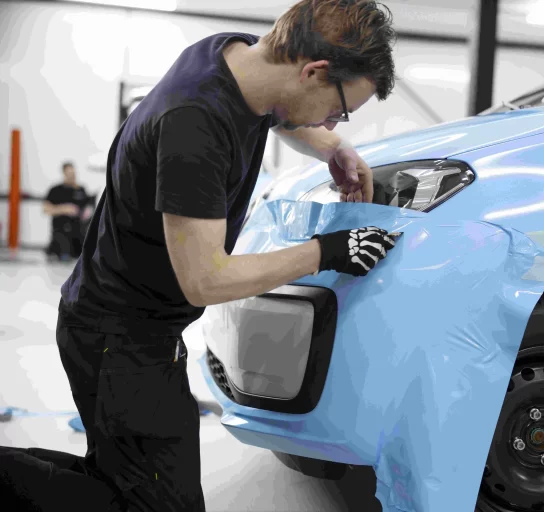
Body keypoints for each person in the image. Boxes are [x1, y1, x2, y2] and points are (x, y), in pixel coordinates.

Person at [0, 1, 399, 510]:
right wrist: (326, 251)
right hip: (118, 340)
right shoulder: (196, 125)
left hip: (134, 330)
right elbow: (206, 280)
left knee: (131, 483)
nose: (332, 119)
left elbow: (281, 109)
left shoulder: (233, 56)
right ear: (314, 70)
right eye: (339, 109)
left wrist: (334, 146)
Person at [42, 162, 94, 261]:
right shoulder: (56, 190)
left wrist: (87, 212)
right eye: (69, 174)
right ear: (64, 173)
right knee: (63, 251)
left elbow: (88, 207)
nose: (72, 176)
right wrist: (64, 209)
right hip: (61, 231)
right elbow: (46, 209)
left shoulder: (81, 190)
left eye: (73, 174)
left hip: (78, 232)